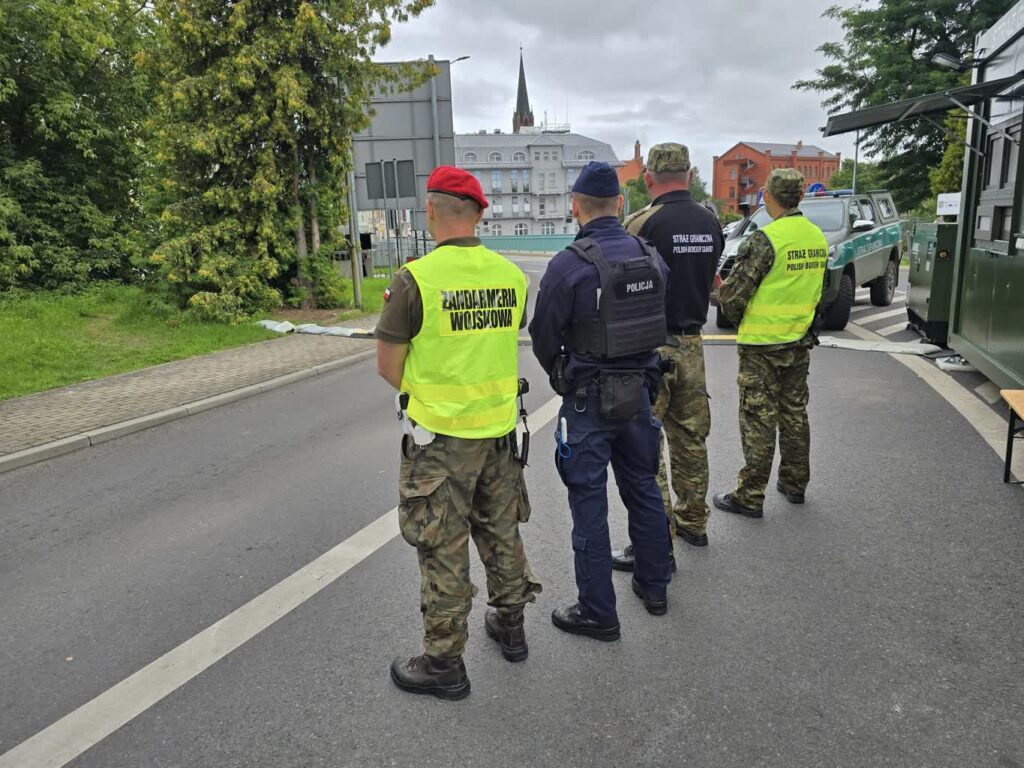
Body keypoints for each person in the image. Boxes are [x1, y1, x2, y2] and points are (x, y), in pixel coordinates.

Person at [376, 166, 541, 700]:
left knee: (442, 548)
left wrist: (430, 397)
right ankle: (511, 628)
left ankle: (445, 663)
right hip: (499, 434)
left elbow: (388, 366)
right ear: (480, 215)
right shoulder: (511, 276)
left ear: (430, 211)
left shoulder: (415, 279)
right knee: (501, 531)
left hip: (440, 444)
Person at [529, 161, 672, 640]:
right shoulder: (650, 255)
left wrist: (561, 373)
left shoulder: (570, 264)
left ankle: (598, 613)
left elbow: (543, 332)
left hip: (589, 400)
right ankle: (655, 588)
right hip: (641, 394)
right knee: (645, 490)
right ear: (620, 204)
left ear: (575, 206)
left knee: (589, 505)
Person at [610, 143, 724, 574]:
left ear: (650, 179)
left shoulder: (641, 223)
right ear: (690, 176)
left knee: (645, 447)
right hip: (692, 344)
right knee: (691, 437)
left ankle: (655, 542)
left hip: (650, 348)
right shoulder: (711, 222)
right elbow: (713, 280)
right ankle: (694, 521)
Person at [713, 168, 828, 518]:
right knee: (794, 413)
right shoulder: (816, 236)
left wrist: (721, 294)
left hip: (762, 345)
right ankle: (794, 483)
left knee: (758, 418)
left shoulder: (766, 240)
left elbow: (733, 297)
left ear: (767, 196)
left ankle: (750, 495)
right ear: (801, 197)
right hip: (798, 339)